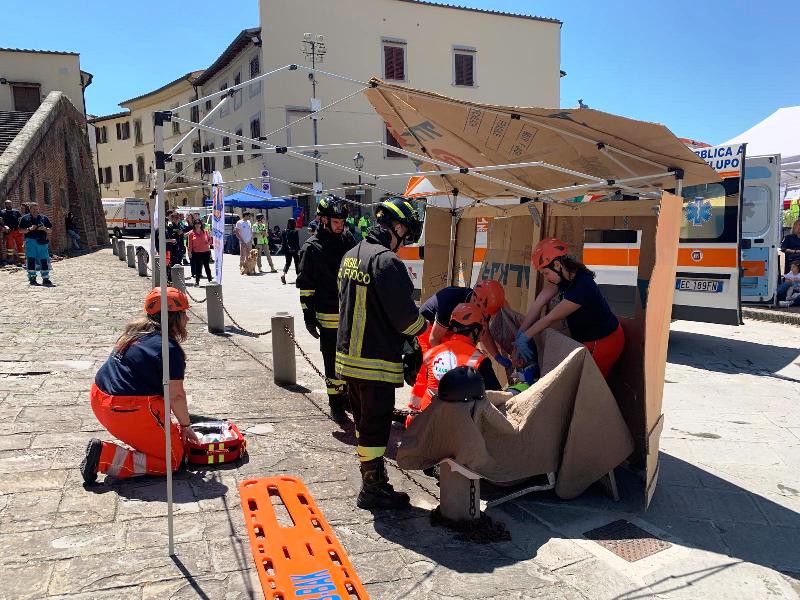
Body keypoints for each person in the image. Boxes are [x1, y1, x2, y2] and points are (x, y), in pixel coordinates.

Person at [336, 197, 426, 509]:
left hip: (348, 361)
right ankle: (372, 489)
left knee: (365, 425)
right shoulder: (388, 262)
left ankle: (373, 479)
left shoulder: (351, 255)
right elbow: (406, 319)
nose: (405, 242)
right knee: (376, 428)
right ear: (398, 227)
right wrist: (421, 331)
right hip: (374, 363)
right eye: (407, 234)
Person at [80, 287, 199, 483]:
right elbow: (176, 395)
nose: (187, 319)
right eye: (184, 313)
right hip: (126, 408)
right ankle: (103, 456)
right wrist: (185, 426)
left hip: (99, 398)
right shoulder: (168, 350)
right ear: (174, 317)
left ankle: (158, 437)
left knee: (171, 442)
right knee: (173, 461)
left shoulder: (136, 333)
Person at [515, 238, 624, 379]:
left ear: (557, 264)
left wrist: (525, 337)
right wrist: (520, 333)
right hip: (590, 339)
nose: (545, 277)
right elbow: (538, 304)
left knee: (589, 387)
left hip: (604, 342)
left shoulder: (582, 285)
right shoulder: (563, 276)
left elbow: (551, 318)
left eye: (545, 273)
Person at [296, 196, 357, 423]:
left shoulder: (348, 239)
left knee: (350, 360)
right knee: (331, 362)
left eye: (342, 221)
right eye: (336, 221)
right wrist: (308, 316)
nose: (340, 225)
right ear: (323, 220)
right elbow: (306, 286)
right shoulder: (312, 248)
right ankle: (336, 404)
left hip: (350, 314)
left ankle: (348, 397)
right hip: (328, 315)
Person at [409, 279, 506, 409]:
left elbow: (485, 334)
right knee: (429, 367)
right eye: (486, 311)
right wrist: (445, 360)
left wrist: (497, 356)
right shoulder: (450, 300)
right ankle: (415, 410)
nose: (486, 315)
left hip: (451, 330)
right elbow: (434, 338)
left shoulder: (484, 307)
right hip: (429, 327)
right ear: (477, 299)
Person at [409, 302, 501, 426]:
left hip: (426, 421)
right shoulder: (479, 359)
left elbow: (421, 384)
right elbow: (496, 395)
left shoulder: (432, 352)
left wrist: (412, 416)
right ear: (475, 330)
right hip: (456, 427)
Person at [19, 203, 53, 286]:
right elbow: (20, 230)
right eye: (33, 209)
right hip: (30, 242)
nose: (35, 211)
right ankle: (32, 278)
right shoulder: (24, 218)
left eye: (37, 209)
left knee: (44, 260)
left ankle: (45, 278)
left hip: (42, 242)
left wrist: (44, 228)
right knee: (31, 260)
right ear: (30, 209)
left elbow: (50, 230)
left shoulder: (44, 218)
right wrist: (29, 229)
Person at [187, 220, 213, 286]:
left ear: (201, 224)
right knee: (198, 267)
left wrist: (209, 242)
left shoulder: (205, 232)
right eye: (196, 223)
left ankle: (210, 280)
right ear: (194, 225)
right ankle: (197, 281)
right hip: (197, 253)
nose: (197, 225)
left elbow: (210, 239)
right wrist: (189, 252)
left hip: (206, 252)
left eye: (199, 223)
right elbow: (190, 244)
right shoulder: (191, 233)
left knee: (207, 266)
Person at [2, 200, 23, 266]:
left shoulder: (16, 212)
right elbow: (1, 221)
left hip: (17, 231)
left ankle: (23, 260)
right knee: (10, 246)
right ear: (5, 205)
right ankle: (10, 260)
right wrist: (4, 226)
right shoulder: (2, 212)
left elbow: (20, 220)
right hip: (9, 232)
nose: (10, 205)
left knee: (21, 245)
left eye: (10, 204)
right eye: (8, 204)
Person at [280, 218, 300, 284]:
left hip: (286, 249)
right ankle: (298, 277)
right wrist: (298, 250)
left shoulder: (283, 231)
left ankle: (283, 274)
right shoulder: (295, 231)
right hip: (294, 249)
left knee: (288, 262)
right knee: (297, 262)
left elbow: (283, 242)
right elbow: (297, 242)